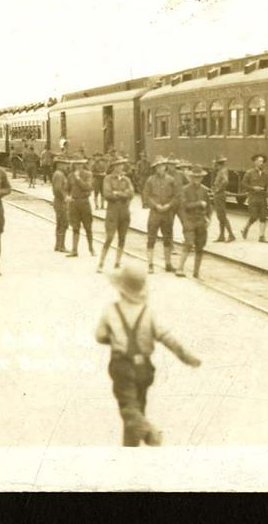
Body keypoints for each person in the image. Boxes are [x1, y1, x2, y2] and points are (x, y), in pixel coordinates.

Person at [95, 265, 202, 447]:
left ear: (120, 288)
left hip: (122, 366)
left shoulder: (110, 311)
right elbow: (166, 337)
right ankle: (132, 449)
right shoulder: (148, 312)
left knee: (129, 409)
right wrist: (188, 357)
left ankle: (148, 433)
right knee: (138, 407)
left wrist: (115, 339)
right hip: (144, 368)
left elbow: (100, 336)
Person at [97, 155, 134, 273]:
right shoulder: (107, 179)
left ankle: (117, 262)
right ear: (113, 167)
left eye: (122, 165)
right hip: (112, 211)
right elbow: (107, 194)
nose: (120, 167)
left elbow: (131, 193)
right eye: (118, 165)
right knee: (110, 237)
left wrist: (117, 193)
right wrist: (123, 193)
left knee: (122, 238)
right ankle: (101, 263)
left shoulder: (126, 179)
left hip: (124, 211)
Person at [142, 157, 178, 274]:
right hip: (155, 213)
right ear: (155, 168)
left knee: (167, 238)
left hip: (167, 213)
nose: (160, 168)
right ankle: (150, 264)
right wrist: (155, 205)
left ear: (165, 167)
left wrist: (169, 205)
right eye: (158, 167)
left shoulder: (171, 180)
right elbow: (146, 195)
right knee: (151, 238)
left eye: (162, 166)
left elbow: (176, 196)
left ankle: (168, 264)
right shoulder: (150, 180)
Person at [176, 165, 213, 279]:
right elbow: (183, 206)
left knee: (200, 247)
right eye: (195, 177)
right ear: (191, 178)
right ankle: (180, 268)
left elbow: (209, 207)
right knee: (188, 243)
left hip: (201, 221)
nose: (197, 179)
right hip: (189, 221)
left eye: (200, 177)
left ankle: (196, 272)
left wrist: (209, 219)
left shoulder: (204, 190)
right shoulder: (185, 190)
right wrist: (198, 204)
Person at [66, 157, 96, 258]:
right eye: (76, 164)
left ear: (83, 165)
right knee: (75, 227)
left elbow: (88, 187)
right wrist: (67, 196)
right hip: (74, 204)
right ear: (73, 165)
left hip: (84, 203)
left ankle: (91, 249)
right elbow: (67, 188)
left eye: (80, 164)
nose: (78, 166)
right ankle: (74, 250)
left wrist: (78, 178)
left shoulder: (88, 174)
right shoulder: (70, 176)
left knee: (88, 227)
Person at [240, 154, 268, 242]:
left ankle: (261, 237)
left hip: (262, 197)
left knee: (263, 217)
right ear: (255, 162)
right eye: (260, 161)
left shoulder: (266, 173)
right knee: (253, 216)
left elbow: (267, 184)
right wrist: (253, 188)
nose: (262, 163)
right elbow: (243, 184)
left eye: (262, 161)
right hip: (253, 197)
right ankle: (245, 228)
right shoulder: (249, 172)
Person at [210, 156, 235, 243]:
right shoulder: (221, 171)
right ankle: (221, 236)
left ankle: (231, 235)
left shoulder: (222, 171)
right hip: (219, 195)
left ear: (217, 164)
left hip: (219, 195)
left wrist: (218, 189)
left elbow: (225, 181)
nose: (213, 165)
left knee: (222, 216)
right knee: (220, 216)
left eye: (214, 164)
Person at [51, 155, 71, 252]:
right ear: (59, 164)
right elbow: (58, 189)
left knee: (60, 223)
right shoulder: (59, 174)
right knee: (64, 223)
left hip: (58, 201)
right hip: (60, 202)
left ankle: (58, 245)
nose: (66, 166)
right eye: (64, 164)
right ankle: (61, 246)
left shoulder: (58, 173)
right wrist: (65, 197)